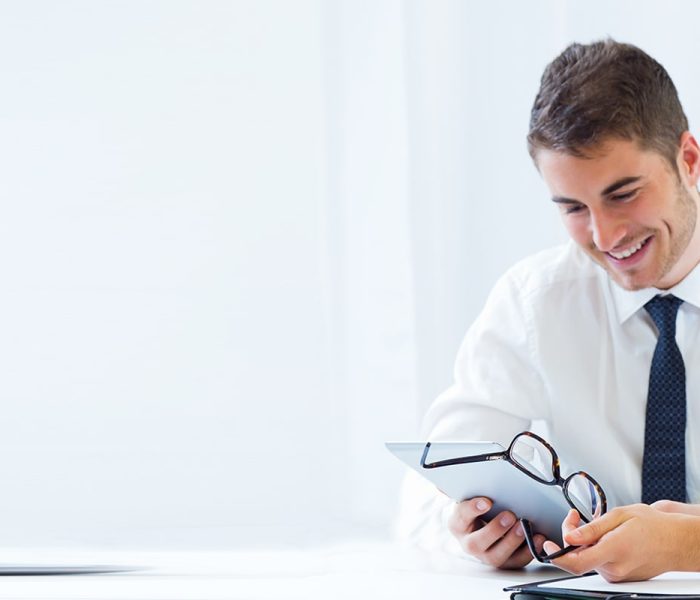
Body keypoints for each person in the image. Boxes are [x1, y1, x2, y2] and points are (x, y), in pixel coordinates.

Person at [398, 39, 700, 583]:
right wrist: (467, 529)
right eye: (574, 208)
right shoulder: (536, 301)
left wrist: (686, 545)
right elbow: (427, 491)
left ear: (689, 160)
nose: (605, 236)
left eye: (623, 194)